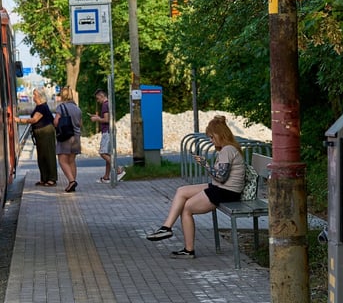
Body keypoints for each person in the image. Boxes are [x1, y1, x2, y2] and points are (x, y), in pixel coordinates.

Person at [146, 115, 246, 258]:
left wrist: (205, 164)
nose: (211, 141)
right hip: (221, 188)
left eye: (212, 137)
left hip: (226, 191)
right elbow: (220, 177)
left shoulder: (227, 150)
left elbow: (221, 177)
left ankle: (189, 250)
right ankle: (166, 228)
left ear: (219, 135)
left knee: (186, 208)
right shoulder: (227, 149)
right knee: (181, 191)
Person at [14, 88, 57, 186]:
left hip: (46, 132)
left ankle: (51, 178)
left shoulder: (42, 107)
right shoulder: (39, 107)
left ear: (39, 97)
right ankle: (44, 178)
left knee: (48, 155)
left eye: (34, 95)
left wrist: (19, 120)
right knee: (41, 156)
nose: (33, 97)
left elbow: (34, 119)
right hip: (40, 133)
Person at [89, 89, 124, 183]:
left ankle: (118, 170)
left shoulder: (105, 105)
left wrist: (96, 119)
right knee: (108, 153)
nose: (97, 101)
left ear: (101, 96)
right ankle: (106, 177)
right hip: (111, 130)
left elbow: (106, 120)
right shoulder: (109, 103)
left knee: (103, 153)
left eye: (98, 98)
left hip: (107, 131)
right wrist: (98, 117)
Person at [53, 87, 83, 192]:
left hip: (65, 137)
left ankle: (71, 181)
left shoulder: (61, 107)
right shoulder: (77, 108)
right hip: (76, 137)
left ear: (62, 96)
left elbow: (56, 122)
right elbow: (80, 124)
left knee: (62, 160)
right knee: (71, 161)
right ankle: (72, 182)